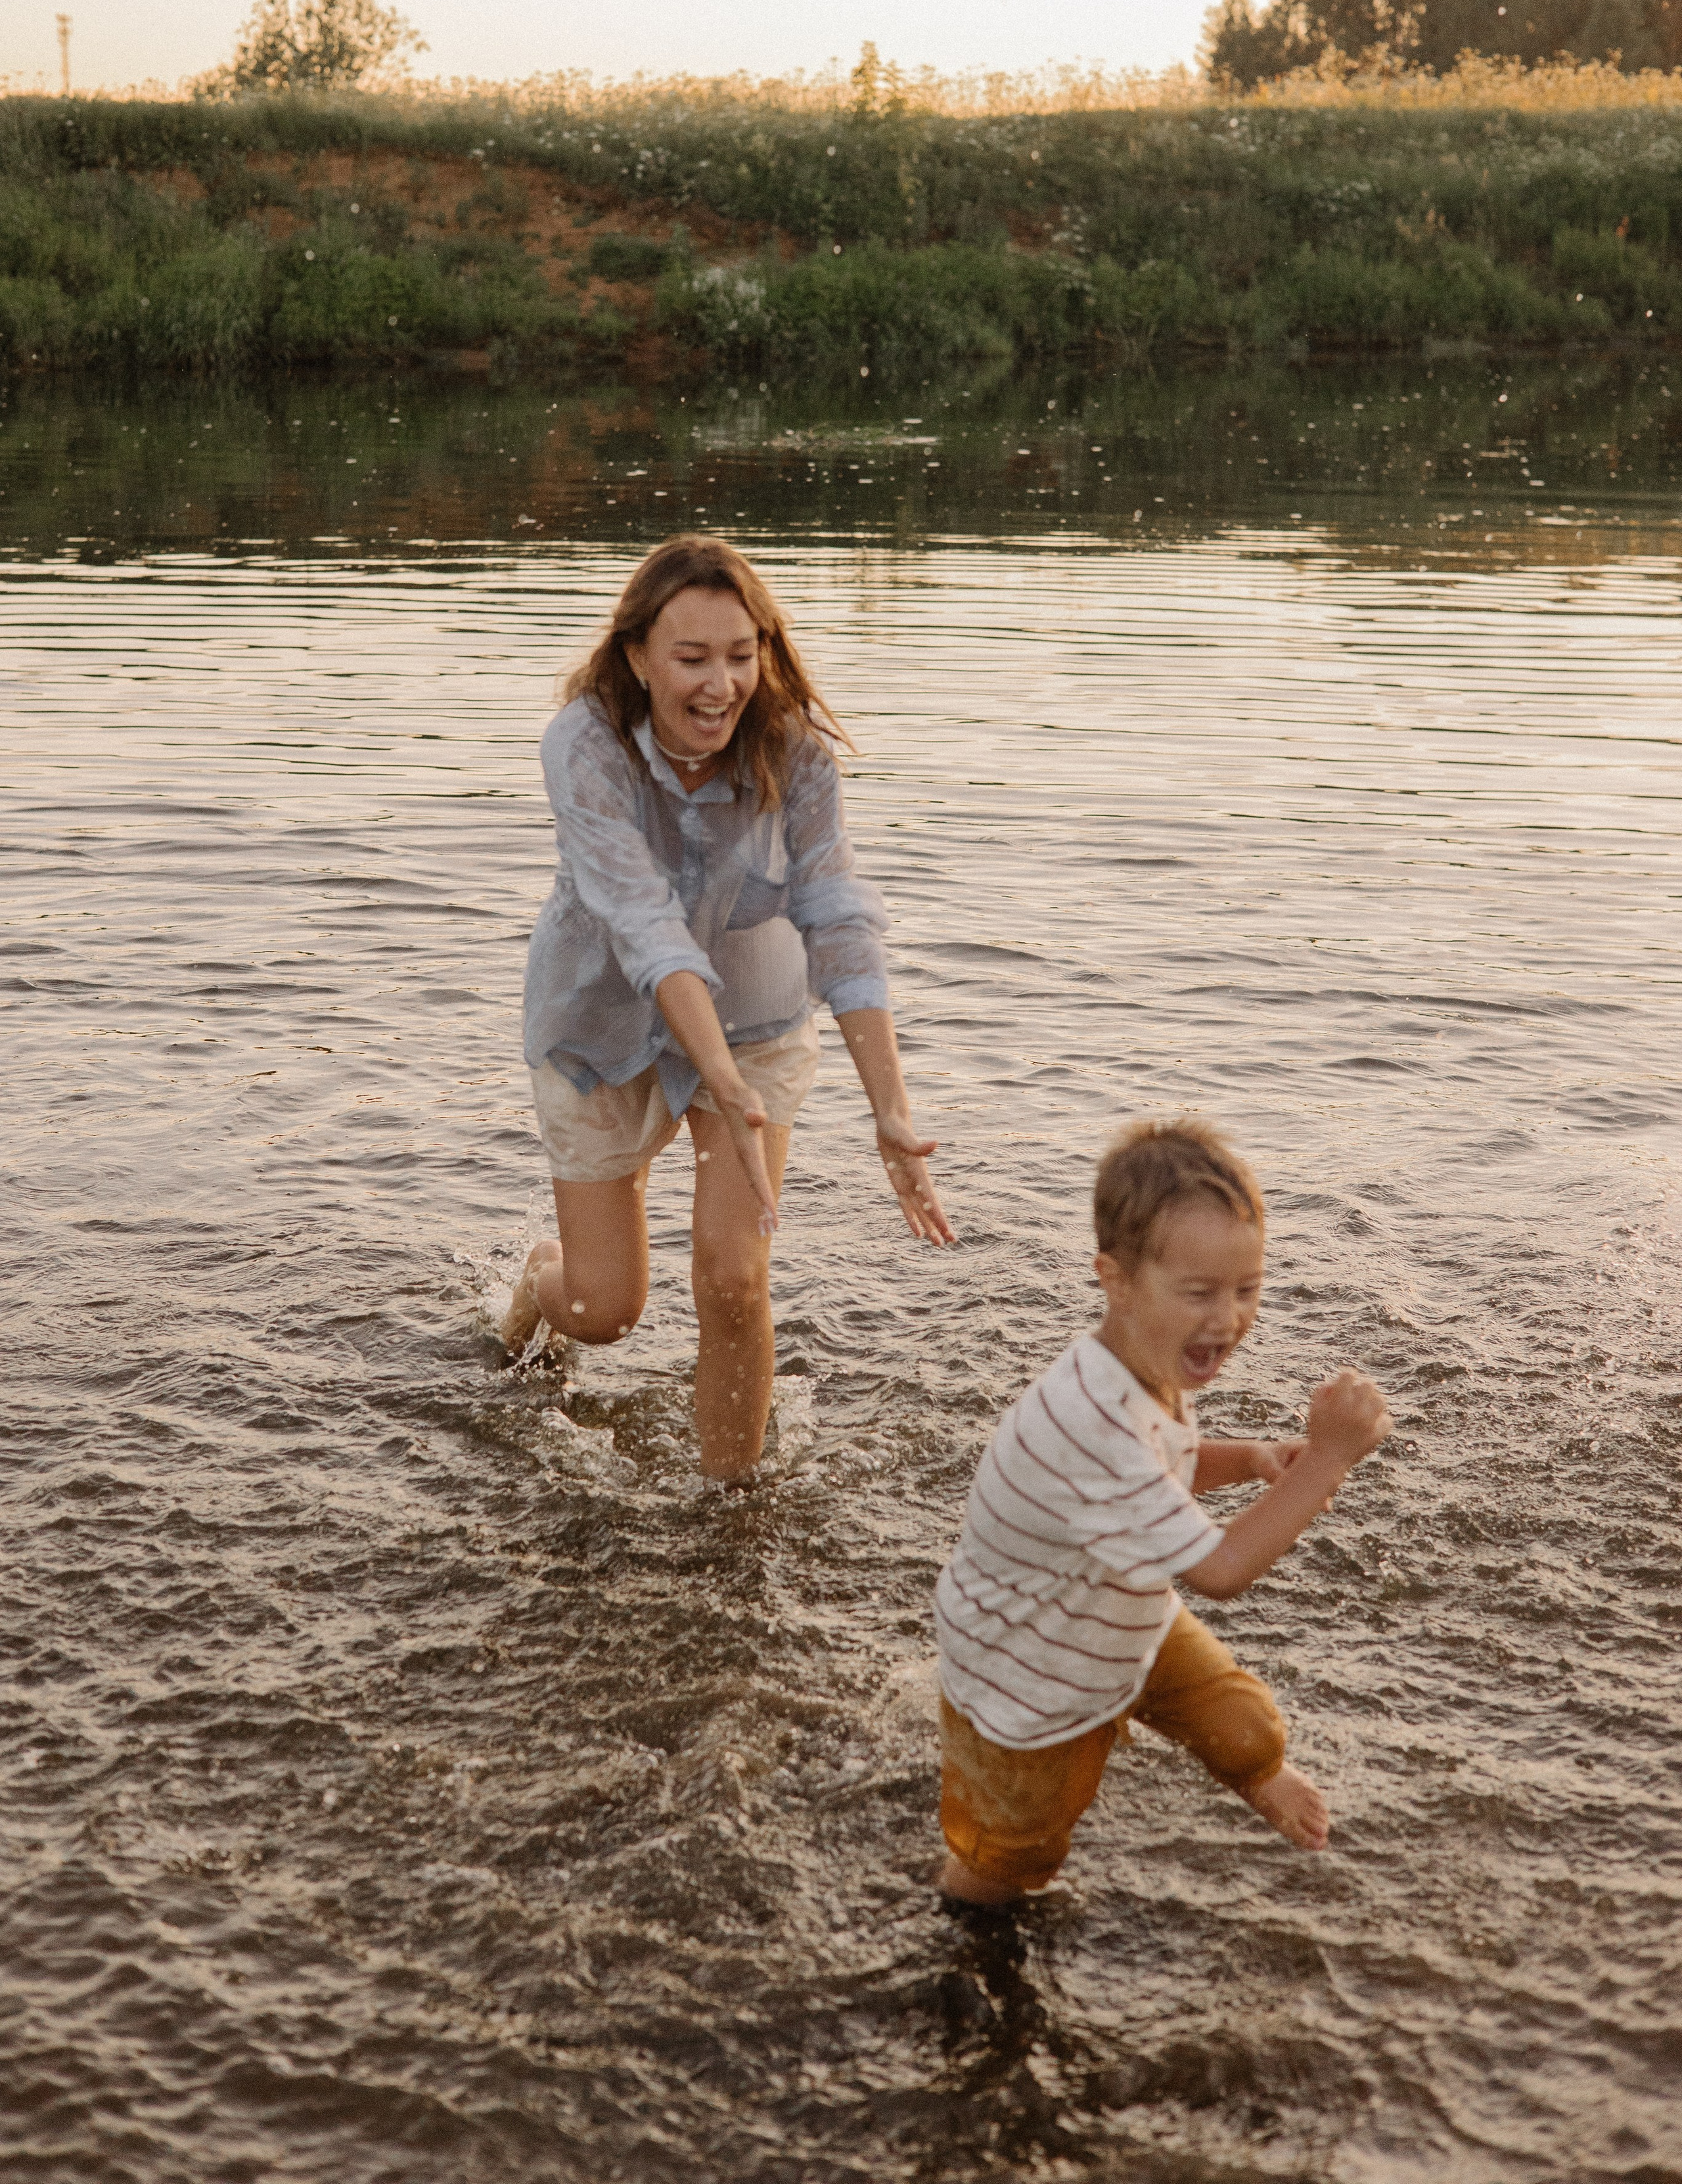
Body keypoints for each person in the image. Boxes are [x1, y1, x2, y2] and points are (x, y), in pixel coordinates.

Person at [502, 535, 953, 1480]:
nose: (722, 685)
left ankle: (730, 1518)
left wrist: (891, 1110)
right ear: (636, 657)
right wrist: (715, 1080)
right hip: (600, 1025)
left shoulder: (796, 753)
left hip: (754, 1026)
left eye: (742, 655)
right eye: (692, 657)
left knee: (736, 1278)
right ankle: (542, 1287)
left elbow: (835, 916)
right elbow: (643, 922)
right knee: (605, 1313)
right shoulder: (583, 747)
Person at [934, 1116, 1391, 1906]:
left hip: (1118, 1615)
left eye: (1246, 1290)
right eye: (1200, 1292)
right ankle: (970, 1927)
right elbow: (1219, 1572)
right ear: (1115, 1281)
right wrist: (1326, 1459)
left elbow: (1159, 1471)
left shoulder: (1139, 1367)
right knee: (1014, 1852)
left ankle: (1255, 1777)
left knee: (1243, 1727)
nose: (1228, 1318)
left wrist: (1248, 1459)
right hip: (1030, 1675)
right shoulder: (1090, 1418)